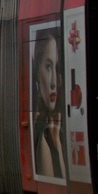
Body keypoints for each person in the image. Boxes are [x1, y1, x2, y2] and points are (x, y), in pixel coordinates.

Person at [32, 28, 66, 179]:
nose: (53, 82)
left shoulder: (58, 127)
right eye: (48, 67)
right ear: (37, 72)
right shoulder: (44, 135)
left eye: (57, 68)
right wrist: (57, 144)